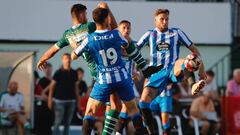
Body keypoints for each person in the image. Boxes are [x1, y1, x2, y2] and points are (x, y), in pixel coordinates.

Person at [71, 7, 159, 135]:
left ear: (95, 21)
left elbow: (74, 56)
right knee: (133, 111)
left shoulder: (89, 39)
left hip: (104, 80)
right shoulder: (116, 34)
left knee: (90, 112)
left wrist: (75, 46)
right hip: (122, 79)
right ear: (107, 19)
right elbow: (130, 49)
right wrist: (144, 67)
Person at [137, 9, 206, 135]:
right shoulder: (150, 34)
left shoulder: (176, 32)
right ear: (155, 20)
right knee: (143, 104)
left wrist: (202, 71)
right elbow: (135, 49)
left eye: (167, 19)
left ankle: (193, 85)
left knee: (186, 60)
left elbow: (194, 48)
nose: (165, 22)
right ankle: (151, 132)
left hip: (172, 69)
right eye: (162, 19)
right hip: (156, 74)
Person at [113, 20, 144, 135]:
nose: (126, 30)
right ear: (119, 30)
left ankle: (119, 132)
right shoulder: (115, 45)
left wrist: (135, 71)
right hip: (115, 82)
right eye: (124, 28)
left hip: (128, 83)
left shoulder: (134, 45)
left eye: (128, 28)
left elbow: (135, 60)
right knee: (113, 110)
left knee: (127, 108)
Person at [48, 53, 79, 135]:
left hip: (71, 101)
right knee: (57, 122)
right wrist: (49, 100)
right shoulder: (58, 72)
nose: (67, 60)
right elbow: (52, 87)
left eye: (69, 58)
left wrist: (78, 101)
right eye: (65, 58)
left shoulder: (74, 73)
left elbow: (76, 88)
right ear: (62, 60)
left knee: (67, 123)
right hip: (59, 102)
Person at [34, 63, 53, 135]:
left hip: (53, 103)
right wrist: (48, 99)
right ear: (44, 70)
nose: (48, 69)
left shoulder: (55, 80)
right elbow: (41, 93)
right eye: (46, 68)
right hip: (44, 105)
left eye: (49, 68)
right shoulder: (41, 81)